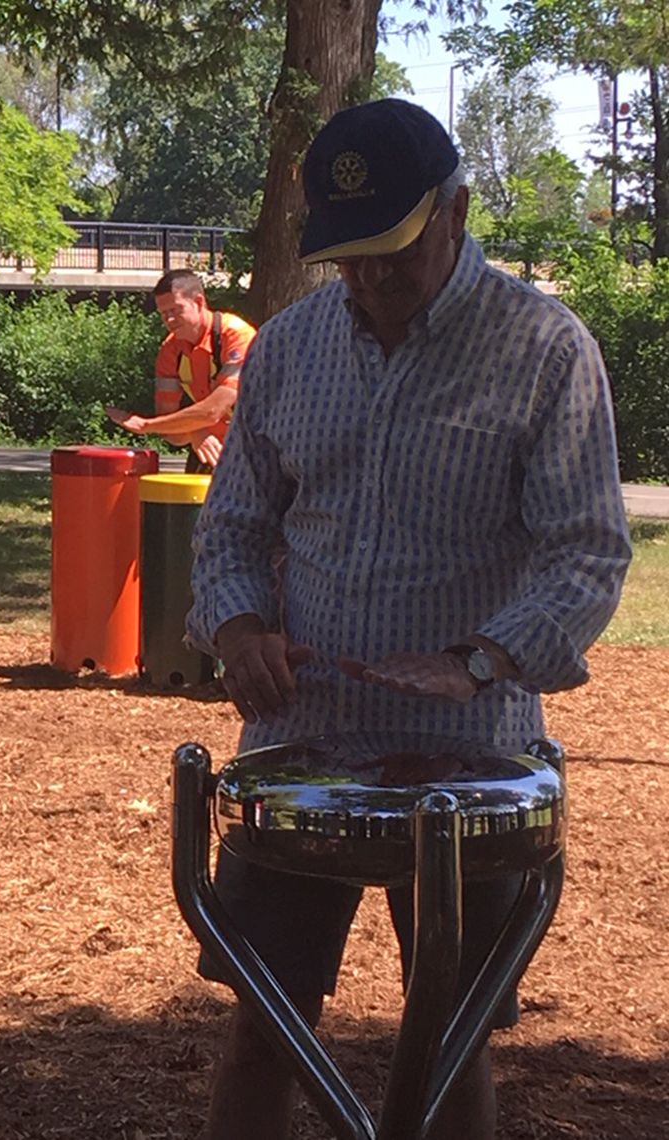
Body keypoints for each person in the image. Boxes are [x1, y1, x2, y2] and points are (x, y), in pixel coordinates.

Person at [185, 99, 632, 1140]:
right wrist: (241, 630)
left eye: (393, 252)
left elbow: (587, 549)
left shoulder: (543, 348)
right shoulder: (291, 350)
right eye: (348, 260)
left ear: (456, 211)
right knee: (262, 1028)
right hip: (304, 747)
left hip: (470, 757)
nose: (373, 282)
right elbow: (234, 527)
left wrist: (481, 659)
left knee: (448, 1037)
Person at [105, 268, 256, 471]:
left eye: (175, 310)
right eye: (163, 314)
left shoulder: (237, 336)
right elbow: (169, 431)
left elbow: (212, 411)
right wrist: (195, 433)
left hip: (257, 448)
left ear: (199, 302)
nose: (169, 320)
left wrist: (145, 426)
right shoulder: (171, 350)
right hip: (209, 448)